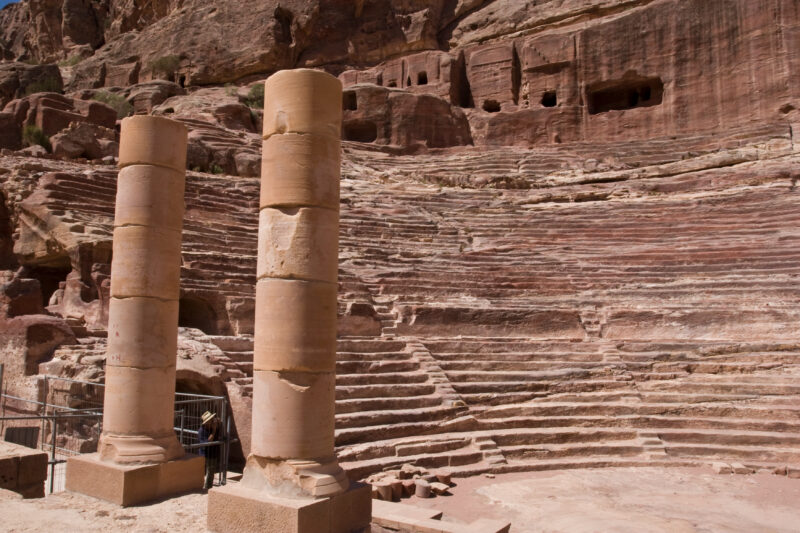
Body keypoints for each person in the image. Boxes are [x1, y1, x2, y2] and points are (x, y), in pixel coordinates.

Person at [198, 410, 222, 489]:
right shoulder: (202, 431)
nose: (212, 421)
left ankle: (208, 487)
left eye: (212, 419)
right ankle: (203, 487)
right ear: (206, 422)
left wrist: (219, 424)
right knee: (203, 471)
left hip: (213, 452)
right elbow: (208, 442)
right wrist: (214, 431)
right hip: (205, 453)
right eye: (210, 420)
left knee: (211, 471)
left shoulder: (214, 427)